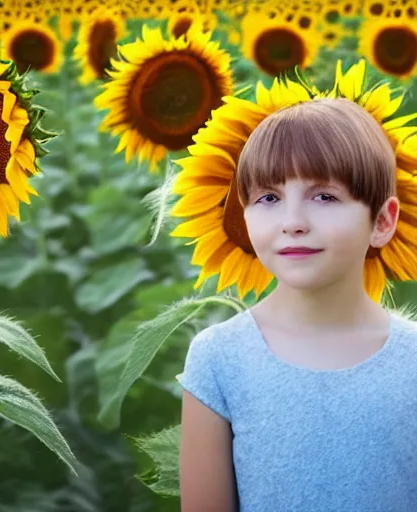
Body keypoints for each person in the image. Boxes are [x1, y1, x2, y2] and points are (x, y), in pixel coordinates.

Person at [177, 97, 417, 511]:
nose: (293, 221)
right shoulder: (219, 359)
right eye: (268, 198)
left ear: (382, 222)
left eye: (324, 196)